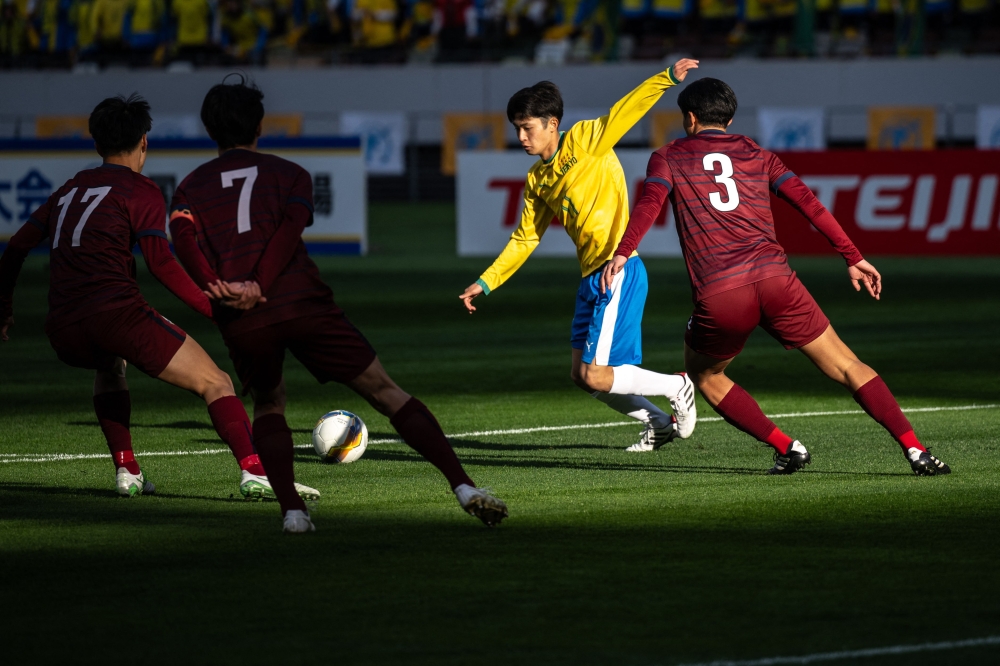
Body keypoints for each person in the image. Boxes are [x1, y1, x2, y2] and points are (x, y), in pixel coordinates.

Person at [167, 76, 507, 528]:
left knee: (269, 406)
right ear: (259, 126)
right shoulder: (290, 173)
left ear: (211, 129)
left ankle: (292, 512)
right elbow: (288, 233)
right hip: (299, 299)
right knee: (385, 391)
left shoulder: (190, 186)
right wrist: (260, 283)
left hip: (241, 314)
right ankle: (464, 486)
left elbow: (182, 237)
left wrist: (217, 284)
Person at [0, 94, 320, 534]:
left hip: (62, 328)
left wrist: (3, 308)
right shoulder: (140, 189)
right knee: (216, 382)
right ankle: (255, 471)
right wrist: (214, 310)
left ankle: (127, 471)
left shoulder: (70, 188)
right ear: (143, 142)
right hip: (115, 315)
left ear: (97, 143)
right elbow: (163, 263)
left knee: (111, 365)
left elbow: (16, 246)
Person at [602, 77, 950, 477]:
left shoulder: (668, 156)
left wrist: (623, 251)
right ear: (729, 119)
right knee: (847, 364)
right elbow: (809, 203)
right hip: (777, 281)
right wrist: (852, 256)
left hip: (723, 293)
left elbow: (649, 203)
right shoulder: (757, 153)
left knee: (704, 374)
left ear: (691, 118)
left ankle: (788, 447)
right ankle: (915, 449)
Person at [459, 59, 700, 453]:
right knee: (580, 374)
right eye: (517, 128)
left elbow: (627, 109)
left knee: (598, 375)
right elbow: (524, 238)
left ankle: (678, 386)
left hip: (619, 266)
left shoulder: (586, 139)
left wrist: (666, 79)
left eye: (527, 127)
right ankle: (657, 423)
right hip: (591, 276)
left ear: (552, 124)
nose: (521, 136)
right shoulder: (538, 179)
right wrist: (486, 282)